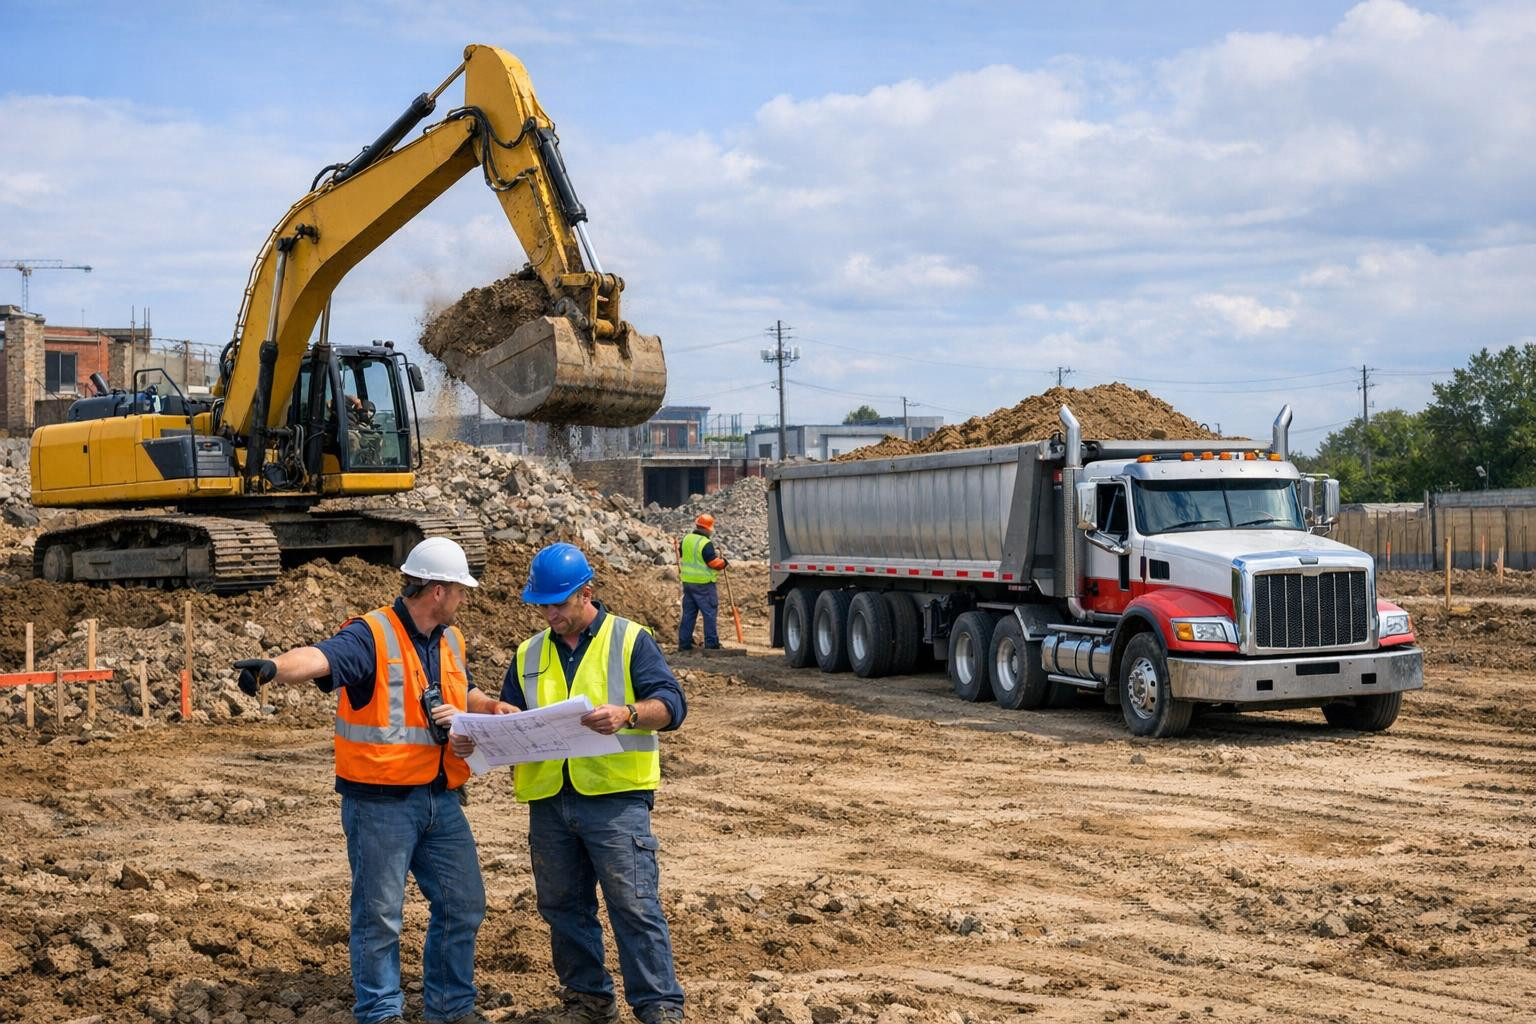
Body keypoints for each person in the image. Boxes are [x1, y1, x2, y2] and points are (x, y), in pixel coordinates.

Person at [233, 537, 509, 1024]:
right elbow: (321, 657)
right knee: (379, 916)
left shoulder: (450, 639)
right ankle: (380, 1013)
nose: (465, 599)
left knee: (463, 903)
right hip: (381, 805)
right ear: (439, 591)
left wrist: (485, 708)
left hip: (440, 798)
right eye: (460, 590)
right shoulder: (372, 635)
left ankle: (450, 1009)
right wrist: (275, 669)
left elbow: (459, 689)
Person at [449, 542, 687, 1024]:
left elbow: (671, 704)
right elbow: (509, 716)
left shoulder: (628, 639)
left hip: (615, 799)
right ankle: (587, 1001)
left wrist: (629, 714)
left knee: (634, 905)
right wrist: (483, 735)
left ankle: (659, 1006)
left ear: (587, 593)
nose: (550, 614)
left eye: (559, 604)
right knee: (562, 907)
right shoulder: (529, 652)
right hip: (549, 802)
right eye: (544, 605)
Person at [676, 514, 728, 651]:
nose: (711, 531)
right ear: (707, 529)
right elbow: (713, 563)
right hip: (704, 584)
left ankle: (684, 644)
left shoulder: (686, 539)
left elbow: (684, 555)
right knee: (709, 613)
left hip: (688, 583)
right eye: (711, 529)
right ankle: (711, 644)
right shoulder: (705, 543)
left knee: (689, 614)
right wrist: (724, 563)